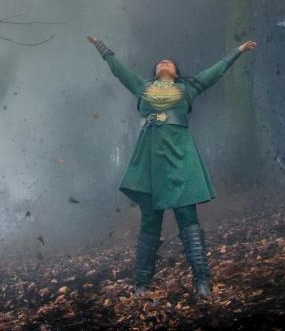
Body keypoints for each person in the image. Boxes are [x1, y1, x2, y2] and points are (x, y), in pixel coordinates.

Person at [88, 35, 257, 298]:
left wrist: (237, 51)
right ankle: (142, 286)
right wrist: (102, 47)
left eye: (169, 62)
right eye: (160, 62)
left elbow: (216, 71)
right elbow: (119, 69)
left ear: (176, 73)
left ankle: (202, 283)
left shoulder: (188, 88)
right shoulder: (142, 87)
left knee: (188, 217)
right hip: (149, 159)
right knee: (150, 219)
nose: (164, 62)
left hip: (180, 156)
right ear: (155, 72)